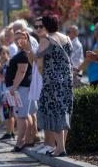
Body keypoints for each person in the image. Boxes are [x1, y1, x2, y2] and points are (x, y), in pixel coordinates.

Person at [21, 14, 73, 157]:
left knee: (53, 113)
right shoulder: (67, 39)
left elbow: (38, 64)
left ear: (47, 26)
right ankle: (60, 147)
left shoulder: (46, 40)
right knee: (64, 112)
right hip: (67, 81)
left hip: (51, 82)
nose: (38, 28)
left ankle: (60, 148)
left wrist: (28, 50)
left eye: (41, 25)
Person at [5, 30, 32, 152]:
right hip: (20, 88)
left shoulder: (24, 54)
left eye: (20, 38)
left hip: (21, 88)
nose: (17, 41)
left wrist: (14, 87)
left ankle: (20, 143)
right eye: (15, 39)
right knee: (22, 116)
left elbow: (21, 71)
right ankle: (25, 140)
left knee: (21, 116)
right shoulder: (23, 52)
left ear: (26, 38)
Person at [78, 22, 98, 89]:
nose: (97, 31)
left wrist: (77, 71)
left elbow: (89, 59)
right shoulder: (97, 44)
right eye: (96, 29)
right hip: (95, 78)